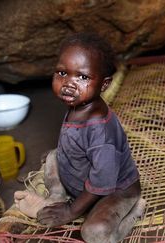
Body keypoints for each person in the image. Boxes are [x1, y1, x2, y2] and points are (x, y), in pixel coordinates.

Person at [14, 32, 145, 243]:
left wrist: (71, 211)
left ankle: (133, 212)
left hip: (114, 191)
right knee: (52, 157)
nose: (69, 83)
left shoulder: (100, 130)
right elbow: (75, 143)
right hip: (82, 179)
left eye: (83, 77)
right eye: (62, 72)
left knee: (94, 232)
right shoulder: (79, 105)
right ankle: (57, 198)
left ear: (104, 85)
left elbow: (102, 181)